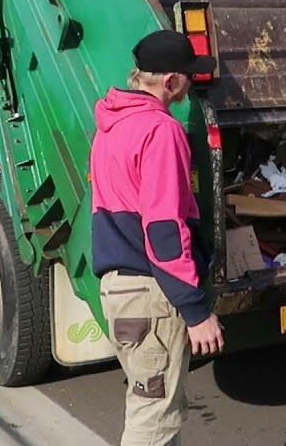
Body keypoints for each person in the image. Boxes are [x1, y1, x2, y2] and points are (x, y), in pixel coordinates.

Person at [90, 29, 225, 446]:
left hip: (120, 292)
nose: (192, 85)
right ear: (169, 82)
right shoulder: (160, 131)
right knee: (153, 421)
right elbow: (163, 229)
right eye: (188, 76)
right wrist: (196, 311)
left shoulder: (110, 126)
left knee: (156, 407)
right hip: (151, 295)